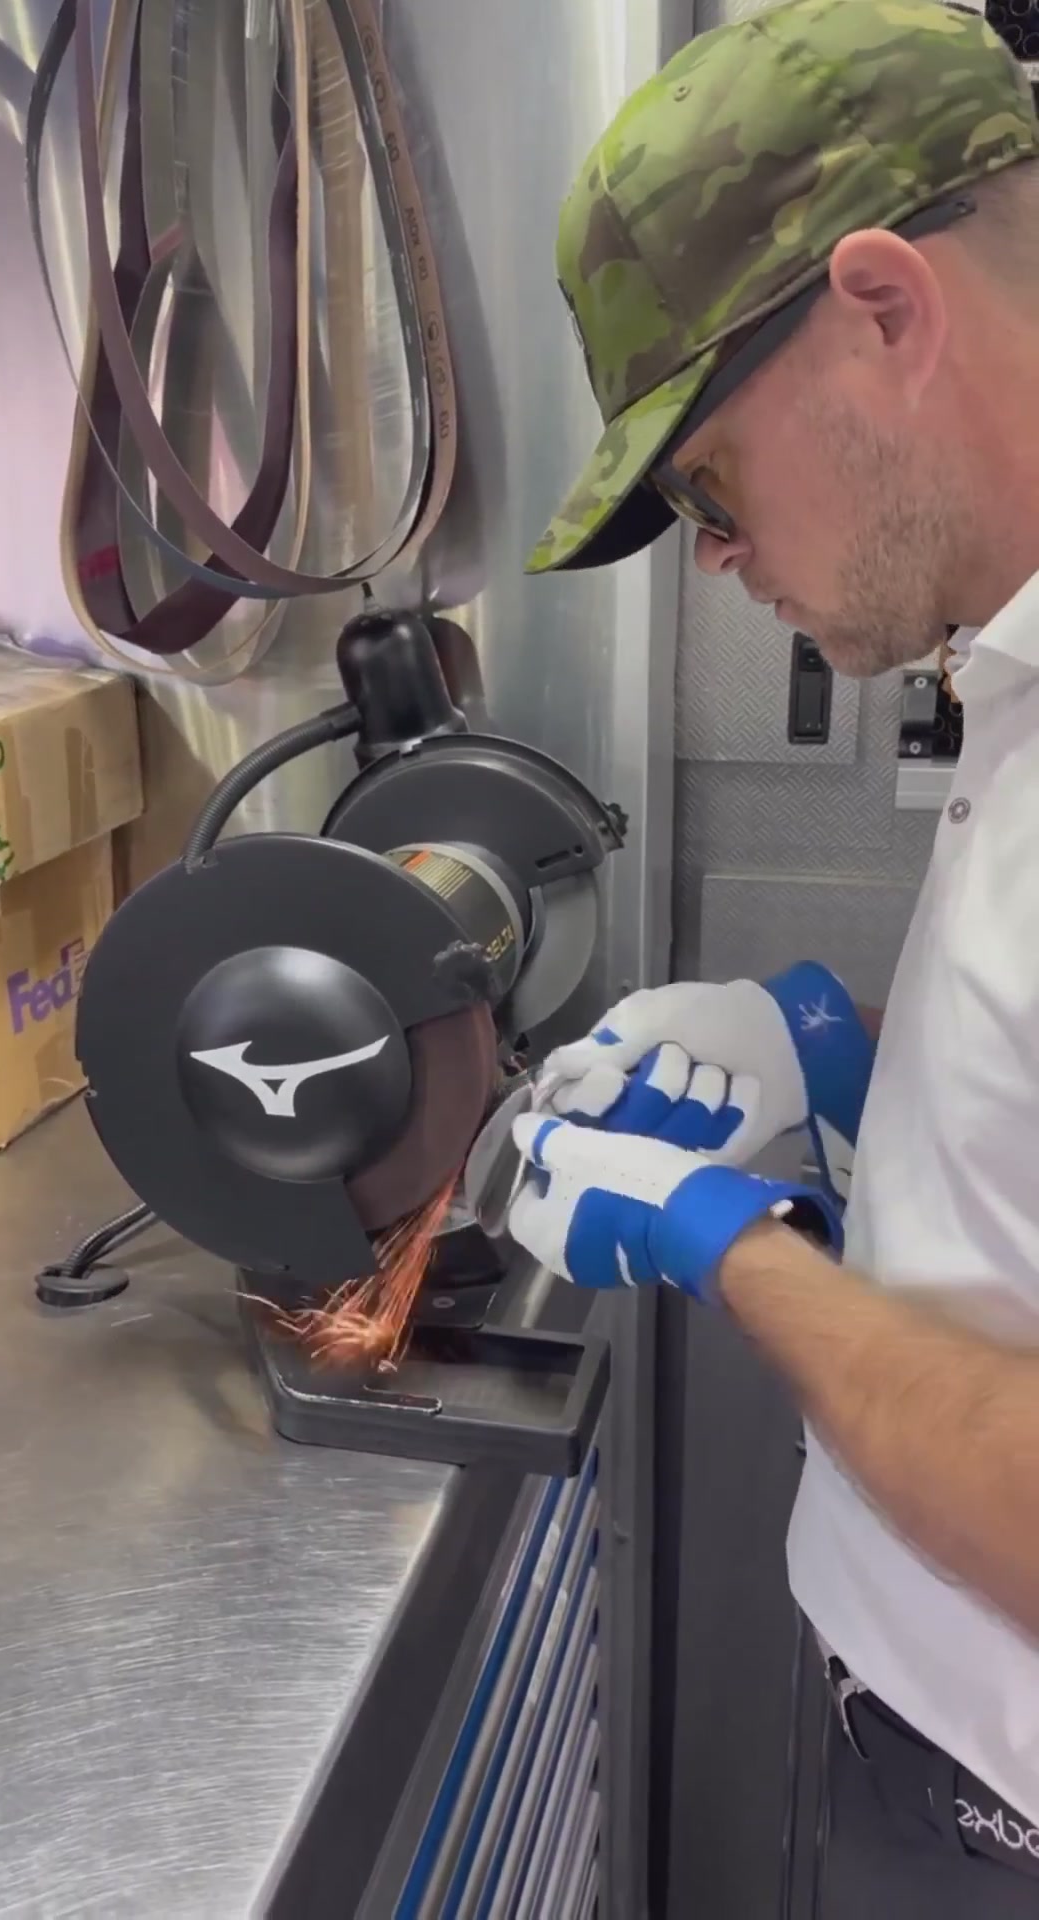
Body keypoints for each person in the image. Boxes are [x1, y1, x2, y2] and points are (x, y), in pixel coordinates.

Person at [506, 0, 1039, 1911]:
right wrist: (830, 1047)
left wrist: (727, 1244)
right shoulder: (1013, 663)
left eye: (709, 486)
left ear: (884, 308)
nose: (716, 559)